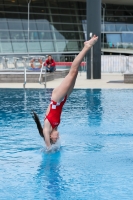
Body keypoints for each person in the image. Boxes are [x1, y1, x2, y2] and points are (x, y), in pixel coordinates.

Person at [32, 35, 98, 151]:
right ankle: (86, 47)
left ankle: (87, 46)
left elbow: (47, 143)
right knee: (75, 73)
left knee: (72, 71)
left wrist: (49, 148)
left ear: (50, 137)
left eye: (55, 138)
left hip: (57, 98)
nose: (58, 137)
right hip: (62, 100)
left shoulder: (47, 127)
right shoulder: (55, 126)